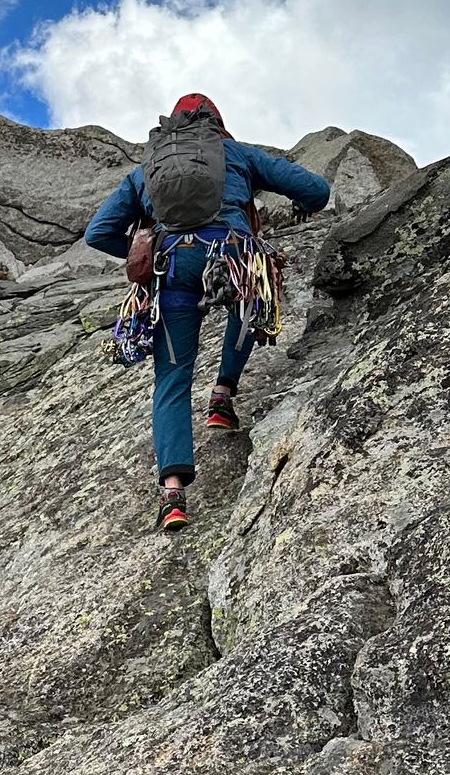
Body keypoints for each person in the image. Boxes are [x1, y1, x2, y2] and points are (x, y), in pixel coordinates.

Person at [84, 93, 333, 531]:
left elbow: (98, 232)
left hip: (172, 267)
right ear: (217, 123)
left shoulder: (147, 170)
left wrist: (145, 251)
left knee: (173, 377)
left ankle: (173, 494)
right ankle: (222, 395)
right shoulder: (235, 153)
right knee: (253, 302)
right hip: (232, 258)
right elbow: (316, 189)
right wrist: (302, 208)